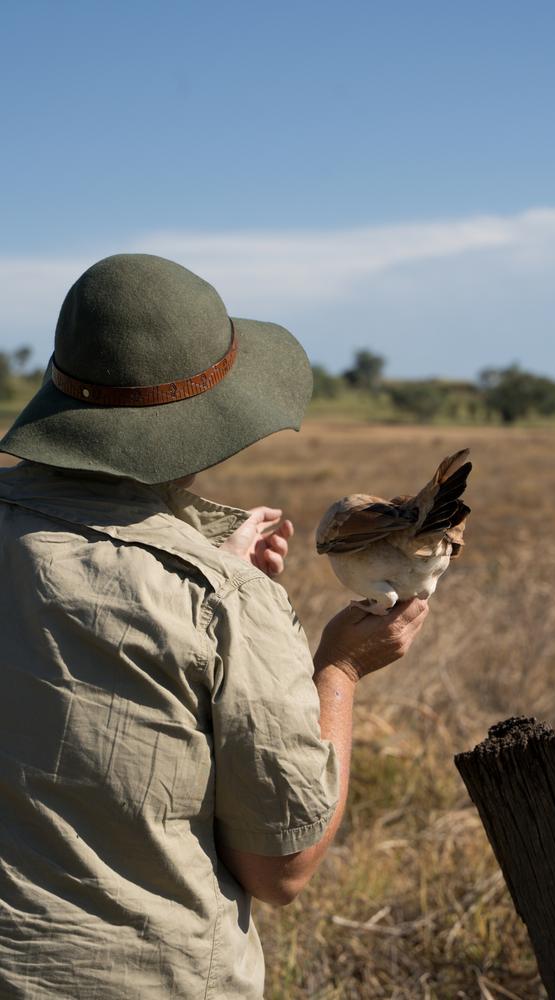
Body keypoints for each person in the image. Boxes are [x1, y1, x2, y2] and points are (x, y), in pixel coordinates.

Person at [0, 254, 429, 999]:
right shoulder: (222, 600)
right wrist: (338, 670)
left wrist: (204, 569)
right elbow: (282, 867)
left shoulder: (212, 589)